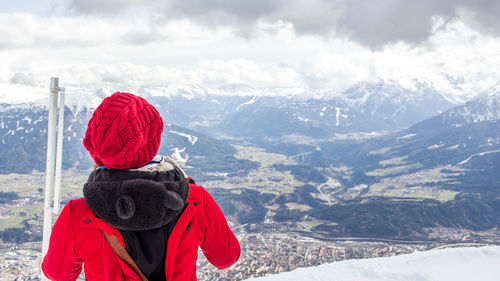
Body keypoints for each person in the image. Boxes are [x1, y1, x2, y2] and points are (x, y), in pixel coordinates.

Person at [42, 92, 240, 281]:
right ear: (152, 141)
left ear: (96, 146)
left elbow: (58, 274)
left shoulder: (77, 215)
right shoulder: (195, 200)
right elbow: (226, 258)